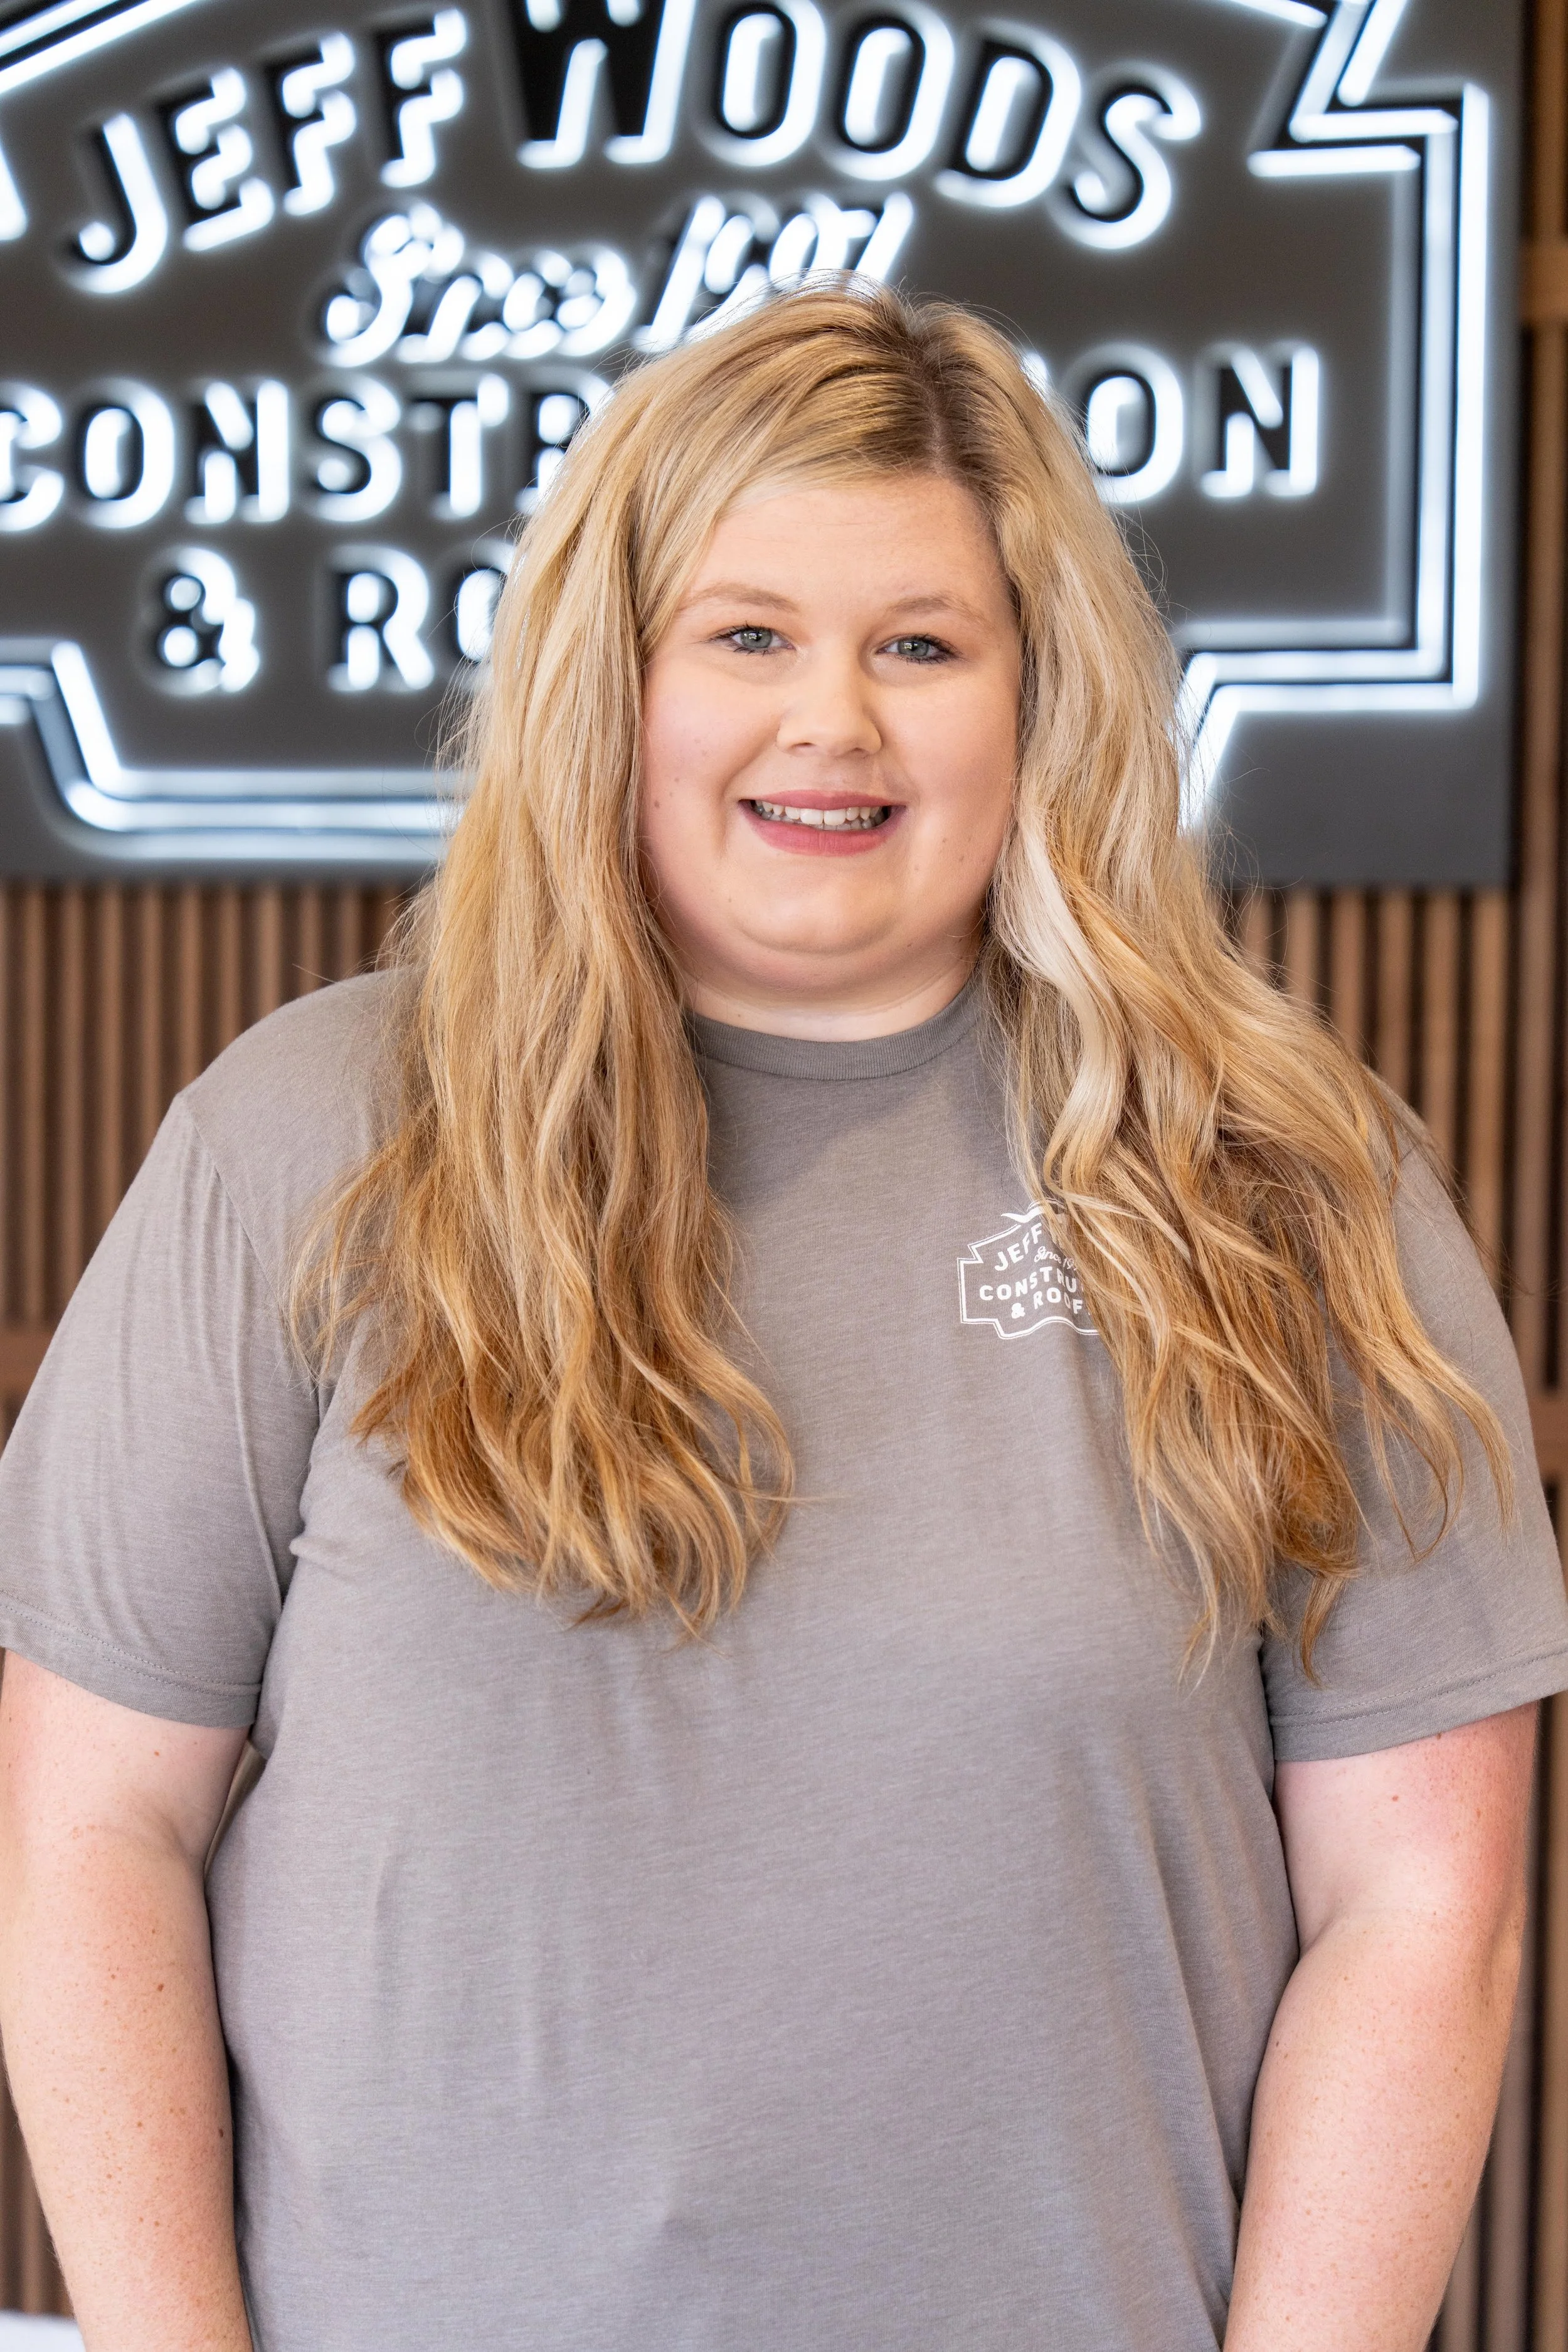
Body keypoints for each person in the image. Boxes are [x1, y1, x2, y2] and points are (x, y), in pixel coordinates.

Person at [0, 283, 1563, 2352]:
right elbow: (88, 1830)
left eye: (918, 644)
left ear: (1036, 698)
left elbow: (1420, 1906)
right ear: (610, 681)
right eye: (747, 635)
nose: (833, 721)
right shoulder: (305, 1142)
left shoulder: (1273, 1182)